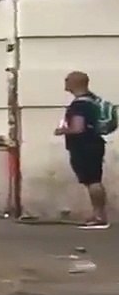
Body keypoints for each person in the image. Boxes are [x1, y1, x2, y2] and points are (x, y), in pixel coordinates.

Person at [57, 71, 109, 229]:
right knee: (94, 180)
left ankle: (99, 217)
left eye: (67, 80)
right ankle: (99, 214)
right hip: (94, 144)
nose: (65, 82)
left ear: (75, 83)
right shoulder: (92, 100)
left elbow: (78, 128)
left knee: (93, 181)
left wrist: (62, 130)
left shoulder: (79, 105)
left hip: (84, 146)